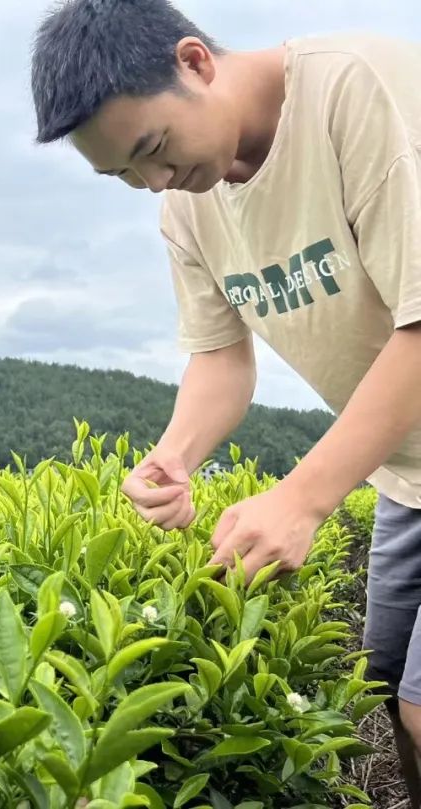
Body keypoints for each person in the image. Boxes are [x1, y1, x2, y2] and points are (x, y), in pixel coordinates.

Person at [30, 0, 421, 801]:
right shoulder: (187, 207)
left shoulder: (359, 90)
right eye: (125, 176)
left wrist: (303, 499)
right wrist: (175, 455)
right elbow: (219, 358)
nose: (156, 184)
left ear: (196, 62)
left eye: (153, 150)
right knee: (380, 684)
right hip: (406, 471)